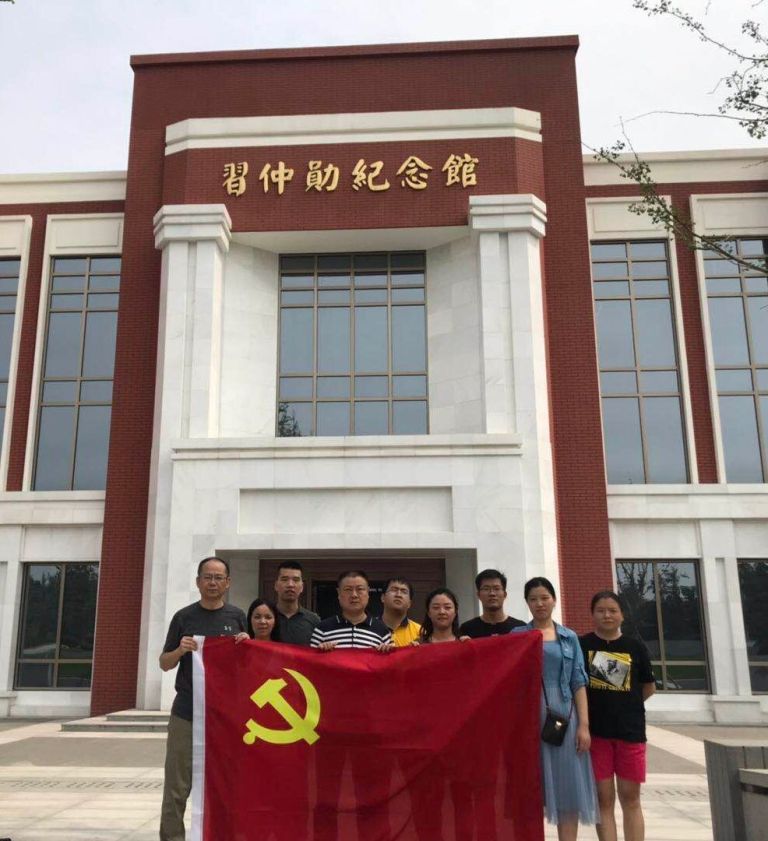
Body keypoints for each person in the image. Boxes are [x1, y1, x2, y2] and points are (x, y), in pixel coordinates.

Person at [158, 556, 247, 841]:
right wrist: (180, 650)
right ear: (198, 582)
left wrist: (247, 646)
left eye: (218, 577)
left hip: (224, 716)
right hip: (186, 713)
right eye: (207, 577)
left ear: (228, 583)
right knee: (177, 785)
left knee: (225, 783)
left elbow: (246, 667)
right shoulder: (183, 617)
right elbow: (164, 663)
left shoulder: (237, 617)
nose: (212, 582)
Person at [514, 576, 598, 840]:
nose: (539, 603)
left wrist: (584, 726)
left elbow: (578, 682)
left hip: (564, 714)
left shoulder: (569, 637)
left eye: (544, 598)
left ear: (554, 600)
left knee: (568, 788)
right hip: (528, 716)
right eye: (533, 599)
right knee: (528, 789)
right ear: (527, 603)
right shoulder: (518, 636)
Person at [580, 591, 656, 841]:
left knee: (631, 798)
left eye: (612, 610)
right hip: (596, 735)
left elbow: (648, 687)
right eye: (601, 610)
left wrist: (626, 705)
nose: (607, 615)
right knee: (603, 799)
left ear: (622, 615)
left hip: (630, 734)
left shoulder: (635, 647)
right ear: (592, 615)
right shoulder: (583, 645)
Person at [310, 569, 393, 650]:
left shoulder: (382, 630)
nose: (354, 595)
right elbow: (311, 658)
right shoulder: (322, 629)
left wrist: (385, 653)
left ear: (368, 592)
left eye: (360, 589)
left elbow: (392, 658)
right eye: (348, 589)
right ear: (338, 593)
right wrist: (321, 653)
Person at [459, 568, 526, 638]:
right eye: (486, 589)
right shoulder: (467, 629)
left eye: (497, 588)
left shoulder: (520, 628)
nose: (492, 593)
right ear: (478, 595)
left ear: (505, 594)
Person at [273, 560, 320, 645]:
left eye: (296, 580)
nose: (290, 584)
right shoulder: (266, 619)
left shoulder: (314, 620)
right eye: (284, 579)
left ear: (302, 587)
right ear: (276, 585)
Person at [380, 576, 422, 646]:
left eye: (404, 592)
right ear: (383, 597)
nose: (398, 595)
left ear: (409, 603)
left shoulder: (420, 632)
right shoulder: (369, 629)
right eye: (394, 590)